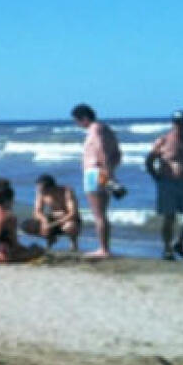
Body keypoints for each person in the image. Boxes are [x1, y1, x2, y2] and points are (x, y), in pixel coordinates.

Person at [146, 110, 183, 260]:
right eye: (177, 122)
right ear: (173, 123)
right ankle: (167, 249)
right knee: (169, 217)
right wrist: (155, 176)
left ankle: (180, 242)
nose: (180, 125)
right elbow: (149, 160)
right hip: (167, 183)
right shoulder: (163, 141)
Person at [72, 104, 123, 259]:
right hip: (103, 172)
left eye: (77, 121)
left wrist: (106, 171)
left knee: (98, 214)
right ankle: (104, 247)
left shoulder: (94, 129)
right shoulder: (107, 129)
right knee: (102, 213)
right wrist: (111, 171)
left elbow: (101, 150)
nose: (77, 124)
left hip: (95, 173)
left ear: (84, 118)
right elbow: (117, 153)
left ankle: (103, 249)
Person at [0, 180, 44, 263]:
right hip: (1, 254)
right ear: (9, 200)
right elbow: (14, 244)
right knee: (37, 249)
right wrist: (28, 251)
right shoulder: (9, 217)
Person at [20, 174, 81, 251]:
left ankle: (73, 244)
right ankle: (50, 239)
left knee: (69, 226)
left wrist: (53, 224)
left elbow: (73, 213)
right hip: (53, 217)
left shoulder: (66, 191)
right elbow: (37, 211)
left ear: (51, 188)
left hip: (67, 219)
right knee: (26, 225)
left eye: (42, 190)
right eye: (38, 189)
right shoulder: (41, 193)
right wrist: (44, 221)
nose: (39, 191)